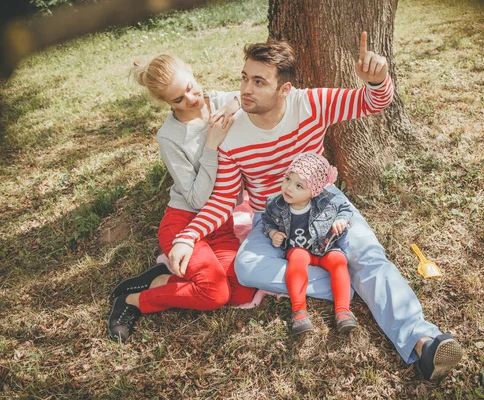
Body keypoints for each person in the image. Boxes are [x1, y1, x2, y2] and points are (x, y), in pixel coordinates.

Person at [167, 33, 463, 380]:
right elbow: (222, 199)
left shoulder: (311, 104)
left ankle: (422, 342)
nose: (245, 89)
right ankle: (350, 282)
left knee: (367, 255)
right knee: (247, 267)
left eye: (259, 82)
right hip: (272, 215)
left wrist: (378, 79)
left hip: (324, 204)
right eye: (244, 78)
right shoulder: (232, 132)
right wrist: (188, 237)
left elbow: (373, 102)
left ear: (285, 89)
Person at [107, 54, 256, 343]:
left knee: (242, 291)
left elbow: (249, 96)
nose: (191, 99)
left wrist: (234, 103)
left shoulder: (218, 99)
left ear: (191, 70)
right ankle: (134, 302)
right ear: (167, 103)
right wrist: (211, 145)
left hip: (220, 223)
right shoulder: (170, 137)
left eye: (190, 87)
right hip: (185, 222)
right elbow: (197, 199)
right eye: (178, 99)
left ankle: (161, 277)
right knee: (214, 293)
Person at [262, 152, 356, 335]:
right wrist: (273, 233)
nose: (289, 188)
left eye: (299, 186)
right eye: (288, 179)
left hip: (325, 246)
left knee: (338, 260)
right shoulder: (276, 205)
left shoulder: (326, 200)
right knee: (297, 257)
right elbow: (267, 221)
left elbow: (345, 208)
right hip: (298, 248)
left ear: (314, 191)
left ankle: (343, 311)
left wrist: (341, 220)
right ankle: (299, 312)